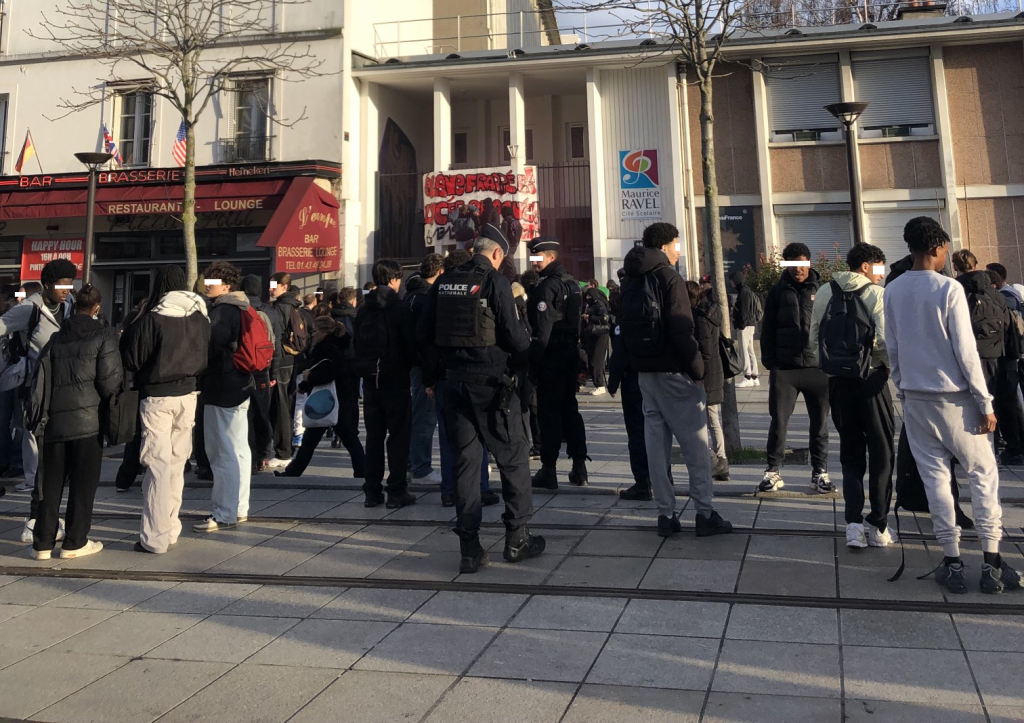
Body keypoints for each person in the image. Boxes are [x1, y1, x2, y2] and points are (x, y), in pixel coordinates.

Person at [885, 217, 1021, 594]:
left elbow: (892, 347)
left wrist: (903, 387)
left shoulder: (892, 291)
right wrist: (985, 401)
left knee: (936, 480)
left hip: (916, 400)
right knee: (982, 474)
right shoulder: (948, 289)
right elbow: (965, 351)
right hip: (957, 400)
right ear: (935, 248)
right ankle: (991, 561)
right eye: (944, 249)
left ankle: (952, 559)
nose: (946, 255)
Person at [419, 223, 545, 573]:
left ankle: (470, 548)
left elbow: (424, 334)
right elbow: (515, 338)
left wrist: (432, 377)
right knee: (513, 458)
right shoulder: (495, 281)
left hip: (453, 384)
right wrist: (524, 368)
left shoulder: (443, 282)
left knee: (465, 465)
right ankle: (517, 538)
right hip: (492, 386)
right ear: (496, 254)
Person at [619, 223, 733, 538]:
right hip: (675, 374)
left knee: (655, 447)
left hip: (645, 374)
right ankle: (705, 513)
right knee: (696, 446)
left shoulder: (631, 276)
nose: (679, 251)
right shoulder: (669, 277)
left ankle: (665, 515)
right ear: (666, 246)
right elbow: (682, 329)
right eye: (677, 245)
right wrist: (698, 371)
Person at [810, 243, 895, 549]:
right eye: (879, 269)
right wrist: (885, 367)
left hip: (838, 383)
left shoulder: (823, 292)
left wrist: (832, 365)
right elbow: (885, 339)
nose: (881, 276)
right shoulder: (876, 295)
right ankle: (879, 524)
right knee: (883, 451)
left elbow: (813, 337)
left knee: (850, 452)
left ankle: (853, 525)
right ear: (865, 267)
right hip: (871, 381)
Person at [121, 266, 210, 553]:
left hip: (158, 396)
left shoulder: (153, 317)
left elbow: (132, 358)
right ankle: (171, 527)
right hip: (189, 394)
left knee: (157, 466)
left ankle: (155, 537)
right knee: (176, 464)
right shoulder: (201, 315)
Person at [33, 285, 122, 561]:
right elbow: (110, 383)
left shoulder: (56, 339)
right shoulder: (103, 336)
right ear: (97, 307)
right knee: (83, 486)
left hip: (54, 421)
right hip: (88, 422)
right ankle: (73, 542)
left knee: (51, 485)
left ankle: (43, 544)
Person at [0, 261, 76, 543]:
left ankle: (43, 513)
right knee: (33, 441)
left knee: (52, 447)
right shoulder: (28, 309)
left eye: (70, 285)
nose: (67, 291)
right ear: (46, 285)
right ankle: (35, 516)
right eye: (61, 286)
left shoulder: (67, 306)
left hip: (60, 385)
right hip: (33, 386)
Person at [759, 242, 831, 494]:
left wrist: (829, 360)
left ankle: (820, 472)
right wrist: (771, 362)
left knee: (820, 423)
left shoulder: (823, 290)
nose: (797, 269)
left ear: (808, 263)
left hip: (817, 369)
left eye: (801, 264)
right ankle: (773, 471)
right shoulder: (777, 291)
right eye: (791, 264)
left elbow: (830, 327)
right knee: (779, 421)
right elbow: (766, 328)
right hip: (785, 370)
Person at [194, 262, 253, 533]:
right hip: (241, 383)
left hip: (221, 385)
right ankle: (239, 508)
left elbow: (210, 342)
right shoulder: (244, 307)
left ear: (227, 285)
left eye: (213, 281)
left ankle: (223, 512)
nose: (209, 285)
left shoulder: (222, 310)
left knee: (222, 451)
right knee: (239, 449)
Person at [951, 250, 1024, 466]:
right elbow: (1009, 325)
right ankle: (1014, 449)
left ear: (955, 267)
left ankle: (971, 450)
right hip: (1002, 356)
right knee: (1006, 403)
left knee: (971, 404)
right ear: (976, 264)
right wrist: (1013, 355)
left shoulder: (956, 291)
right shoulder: (996, 292)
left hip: (974, 357)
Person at [527, 237, 589, 490]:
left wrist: (533, 363)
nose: (534, 262)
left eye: (537, 258)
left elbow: (541, 331)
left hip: (551, 356)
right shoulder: (572, 284)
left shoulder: (546, 287)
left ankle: (549, 469)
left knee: (549, 414)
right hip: (569, 353)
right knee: (570, 411)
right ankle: (579, 466)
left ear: (551, 257)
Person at [355, 258, 416, 509]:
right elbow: (411, 345)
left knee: (374, 437)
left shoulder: (363, 308)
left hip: (370, 380)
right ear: (393, 280)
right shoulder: (399, 309)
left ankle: (372, 492)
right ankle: (396, 490)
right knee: (399, 437)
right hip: (395, 379)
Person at [276, 317, 365, 477]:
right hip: (340, 398)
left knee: (312, 440)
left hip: (329, 401)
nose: (312, 334)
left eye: (315, 331)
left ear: (323, 332)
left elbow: (327, 372)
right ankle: (363, 472)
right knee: (348, 438)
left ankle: (293, 471)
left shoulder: (326, 348)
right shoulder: (338, 345)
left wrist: (308, 378)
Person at [609, 271, 653, 501]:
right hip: (656, 376)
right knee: (657, 430)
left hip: (634, 379)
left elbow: (620, 347)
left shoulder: (628, 305)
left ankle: (643, 483)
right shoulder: (654, 297)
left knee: (637, 433)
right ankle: (663, 476)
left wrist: (612, 381)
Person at [405, 253, 444, 485]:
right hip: (424, 366)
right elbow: (427, 337)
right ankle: (420, 467)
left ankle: (413, 464)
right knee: (425, 418)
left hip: (414, 364)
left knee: (419, 416)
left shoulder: (410, 295)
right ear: (439, 273)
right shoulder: (426, 299)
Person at [688, 280, 730, 482]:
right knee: (713, 418)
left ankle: (718, 460)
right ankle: (721, 459)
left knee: (709, 418)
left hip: (708, 373)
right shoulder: (712, 312)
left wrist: (698, 376)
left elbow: (704, 351)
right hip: (715, 369)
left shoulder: (701, 318)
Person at [241, 274, 279, 474]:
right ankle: (264, 454)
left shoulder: (239, 311)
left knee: (246, 415)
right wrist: (274, 372)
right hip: (263, 370)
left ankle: (251, 455)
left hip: (244, 369)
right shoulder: (270, 312)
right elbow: (276, 344)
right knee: (263, 413)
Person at [267, 272, 304, 468]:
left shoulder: (280, 307)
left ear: (284, 286)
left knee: (280, 406)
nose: (271, 288)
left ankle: (283, 452)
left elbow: (275, 337)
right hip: (292, 359)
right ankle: (286, 448)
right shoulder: (294, 306)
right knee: (288, 405)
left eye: (274, 285)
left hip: (281, 361)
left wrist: (274, 365)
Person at [731, 270, 762, 388]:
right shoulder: (747, 291)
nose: (732, 284)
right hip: (750, 324)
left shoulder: (743, 293)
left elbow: (744, 311)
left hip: (744, 325)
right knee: (750, 350)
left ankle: (747, 376)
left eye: (732, 281)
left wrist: (741, 325)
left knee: (744, 351)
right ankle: (754, 376)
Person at [581, 287, 611, 396]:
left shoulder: (599, 305)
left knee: (596, 361)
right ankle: (597, 384)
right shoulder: (590, 305)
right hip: (593, 335)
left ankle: (600, 385)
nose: (587, 298)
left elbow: (604, 319)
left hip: (600, 335)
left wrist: (590, 317)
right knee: (592, 359)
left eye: (589, 296)